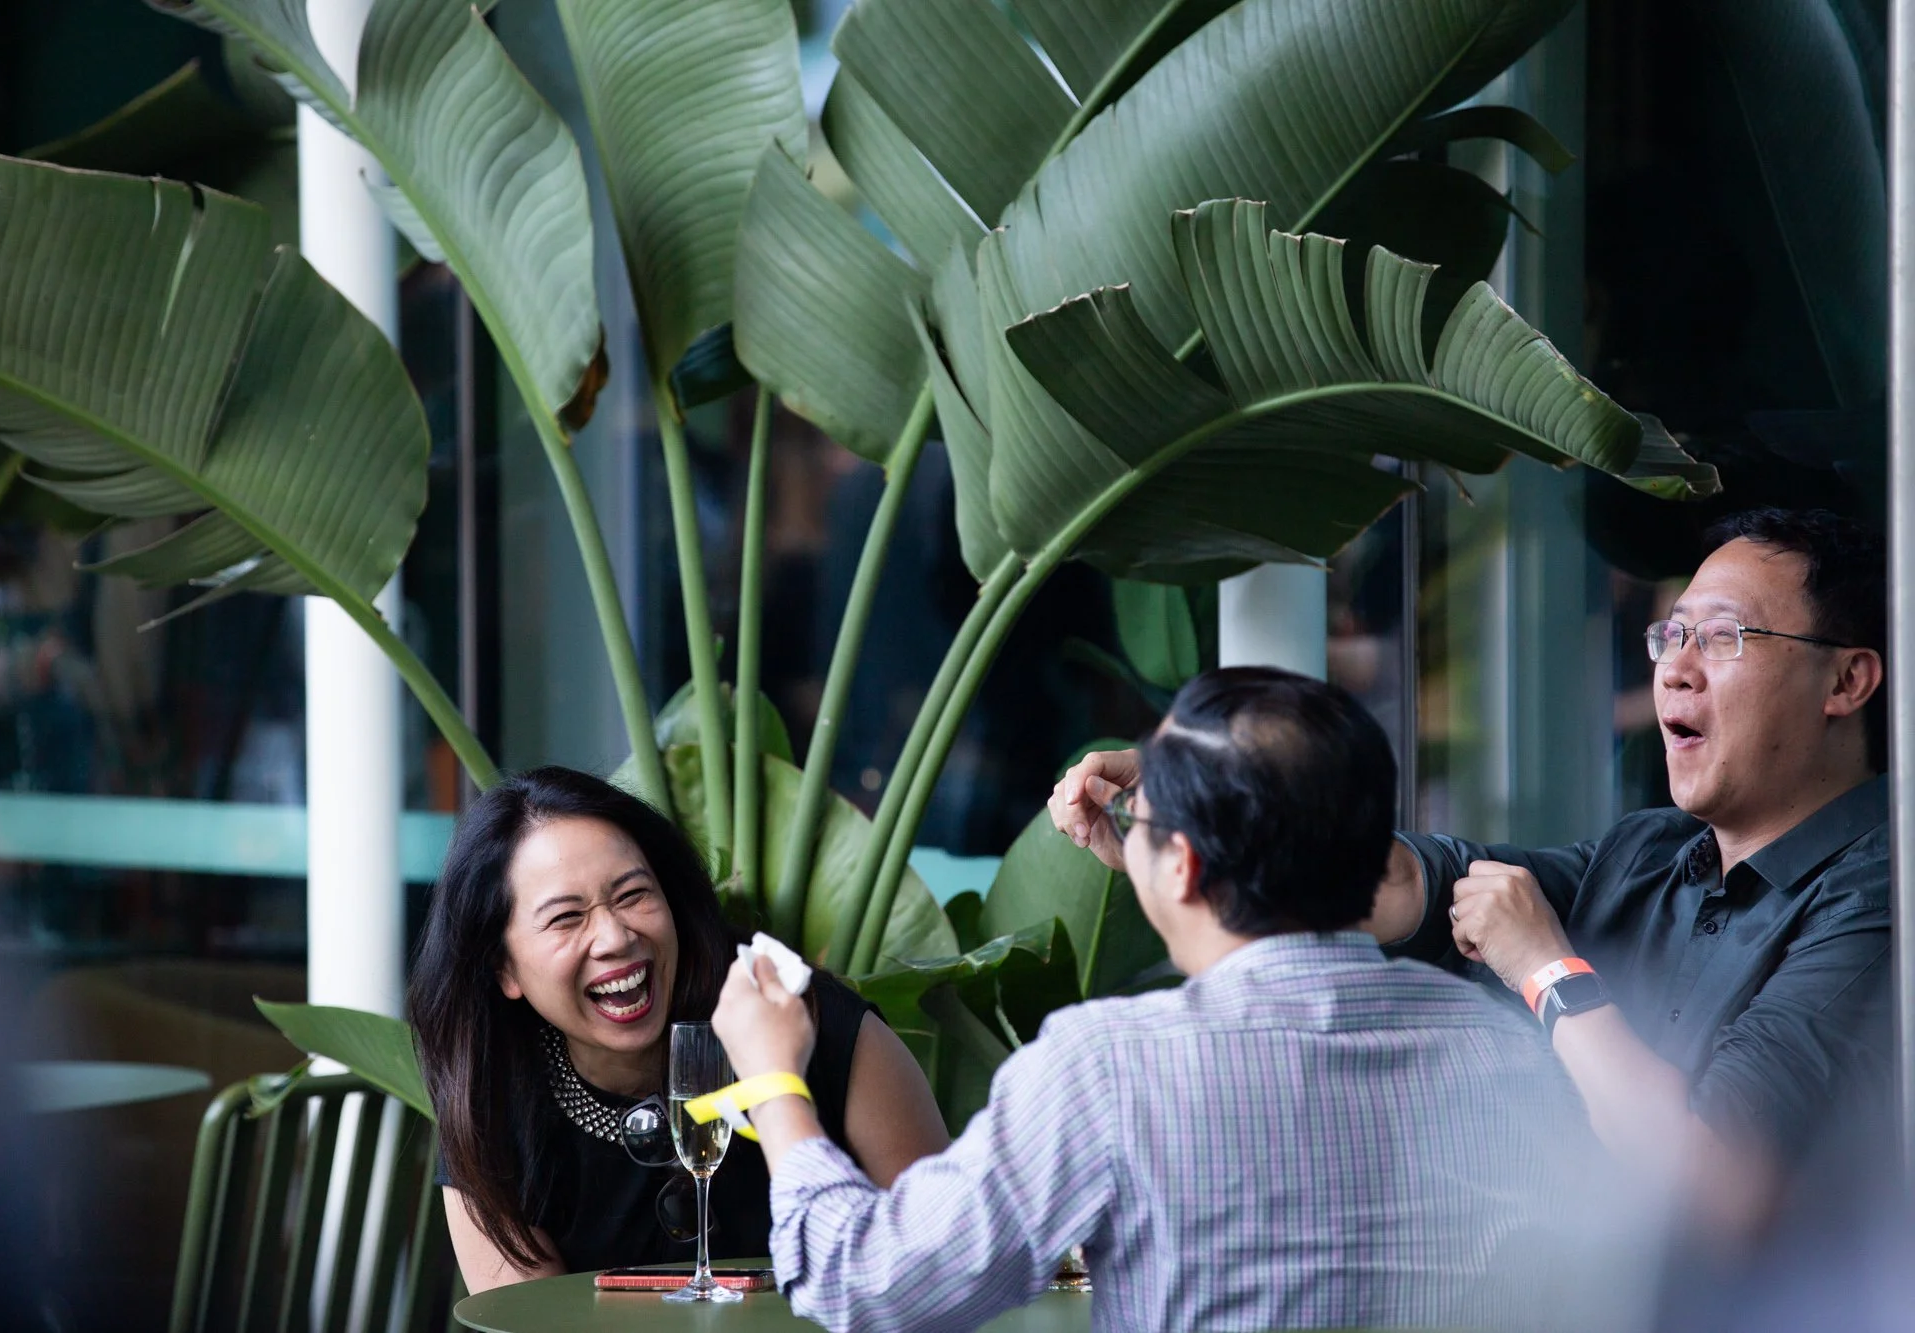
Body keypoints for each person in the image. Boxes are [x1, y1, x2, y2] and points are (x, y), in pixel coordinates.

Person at [712, 668, 1591, 1332]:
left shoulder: (1106, 1067)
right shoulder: (1507, 1050)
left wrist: (774, 1081)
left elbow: (873, 1282)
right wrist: (1160, 857)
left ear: (1184, 867)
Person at [1053, 508, 1889, 1202]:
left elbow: (1715, 1188)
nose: (1676, 667)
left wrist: (1546, 968)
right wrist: (1193, 815)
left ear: (1846, 682)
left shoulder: (1884, 895)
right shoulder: (1652, 851)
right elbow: (1404, 884)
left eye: (1722, 636)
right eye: (1670, 634)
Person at [407, 766, 949, 1292]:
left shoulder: (813, 1025)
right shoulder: (490, 1097)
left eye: (632, 895)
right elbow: (527, 1319)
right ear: (503, 968)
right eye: (567, 918)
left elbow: (938, 1268)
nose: (615, 937)